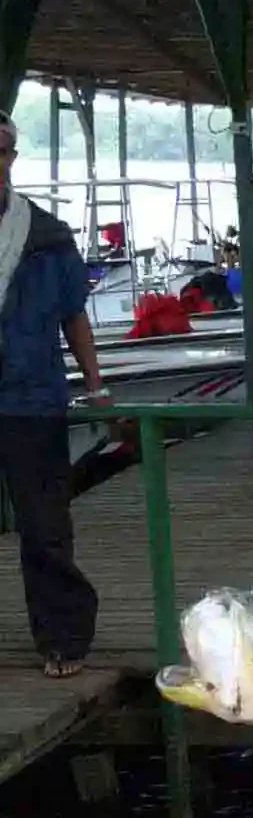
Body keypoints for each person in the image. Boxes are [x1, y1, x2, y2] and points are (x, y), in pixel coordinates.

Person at [0, 107, 106, 679]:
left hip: (31, 398)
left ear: (11, 158)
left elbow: (75, 318)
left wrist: (96, 387)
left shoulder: (48, 236)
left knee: (43, 526)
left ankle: (62, 637)